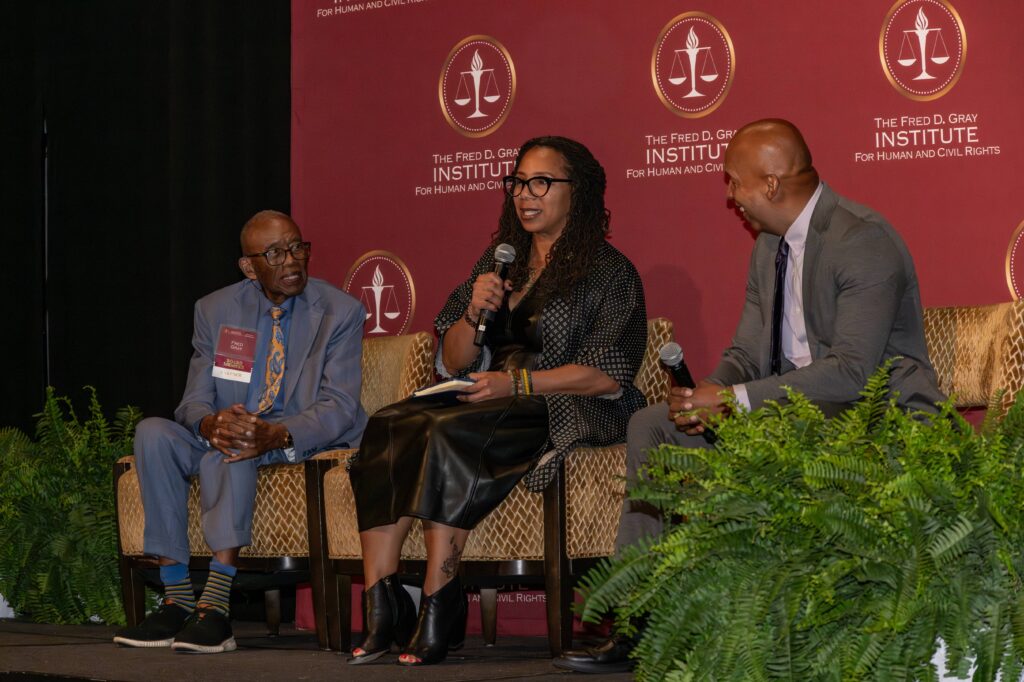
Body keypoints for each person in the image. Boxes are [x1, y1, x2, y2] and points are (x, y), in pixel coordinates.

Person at [555, 118, 945, 673]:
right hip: (785, 417)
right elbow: (746, 351)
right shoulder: (769, 248)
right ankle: (640, 621)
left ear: (769, 183)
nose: (729, 196)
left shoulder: (862, 240)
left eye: (733, 182)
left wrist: (735, 400)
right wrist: (708, 392)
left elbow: (853, 373)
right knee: (653, 426)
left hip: (871, 418)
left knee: (766, 429)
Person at [346, 136, 648, 666]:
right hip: (489, 393)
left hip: (560, 403)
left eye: (541, 183)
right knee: (390, 423)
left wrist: (521, 385)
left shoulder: (610, 272)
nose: (525, 195)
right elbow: (457, 359)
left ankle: (440, 601)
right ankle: (383, 602)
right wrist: (473, 313)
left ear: (578, 192)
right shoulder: (500, 262)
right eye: (517, 183)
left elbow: (606, 374)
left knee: (445, 431)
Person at [113, 210, 367, 653]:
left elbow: (339, 407)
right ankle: (176, 601)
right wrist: (208, 423)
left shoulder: (339, 312)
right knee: (153, 433)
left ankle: (216, 608)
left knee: (234, 448)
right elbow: (193, 399)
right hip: (227, 432)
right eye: (274, 253)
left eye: (297, 247)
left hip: (294, 439)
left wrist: (276, 433)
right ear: (249, 267)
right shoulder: (215, 310)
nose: (291, 261)